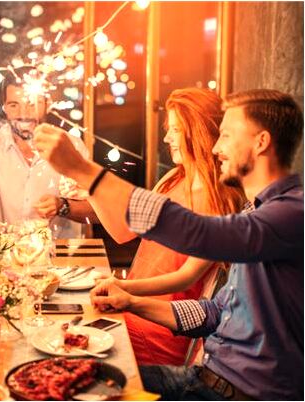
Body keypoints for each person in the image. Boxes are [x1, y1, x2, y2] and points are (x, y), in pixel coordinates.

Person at [34, 88, 303, 400]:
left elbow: (195, 232)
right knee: (63, 375)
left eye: (227, 136)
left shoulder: (290, 214)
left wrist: (84, 171)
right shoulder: (253, 211)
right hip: (203, 378)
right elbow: (214, 312)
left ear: (261, 142)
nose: (216, 147)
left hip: (238, 393)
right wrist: (130, 301)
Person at [91, 88, 245, 366]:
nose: (166, 138)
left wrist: (125, 289)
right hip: (129, 309)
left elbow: (186, 277)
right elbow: (123, 232)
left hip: (159, 330)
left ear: (198, 131)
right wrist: (89, 190)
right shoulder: (173, 178)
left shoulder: (221, 200)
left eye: (175, 129)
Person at [0, 67, 97, 238]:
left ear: (47, 104)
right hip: (3, 251)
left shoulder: (73, 146)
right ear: (4, 107)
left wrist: (62, 206)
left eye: (31, 104)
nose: (23, 114)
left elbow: (95, 212)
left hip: (60, 252)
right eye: (14, 105)